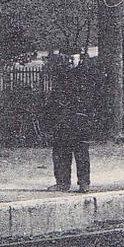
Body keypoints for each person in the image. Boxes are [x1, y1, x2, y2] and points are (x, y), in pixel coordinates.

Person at [41, 52, 98, 193]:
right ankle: (62, 183)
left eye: (72, 58)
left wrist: (85, 114)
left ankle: (84, 183)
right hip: (63, 120)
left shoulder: (86, 75)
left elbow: (91, 98)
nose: (69, 61)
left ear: (80, 58)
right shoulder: (62, 75)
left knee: (81, 152)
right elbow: (55, 97)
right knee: (61, 151)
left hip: (80, 119)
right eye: (67, 58)